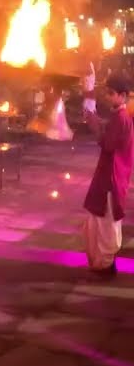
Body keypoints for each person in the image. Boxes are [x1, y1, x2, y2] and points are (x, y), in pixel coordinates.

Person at [81, 75, 133, 275]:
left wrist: (95, 126)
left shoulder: (121, 117)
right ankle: (102, 263)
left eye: (112, 93)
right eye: (107, 93)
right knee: (99, 221)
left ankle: (105, 265)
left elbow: (109, 144)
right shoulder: (120, 115)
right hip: (110, 174)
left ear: (123, 96)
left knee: (105, 223)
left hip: (111, 177)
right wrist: (98, 123)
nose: (108, 97)